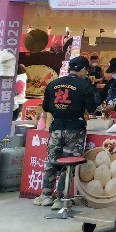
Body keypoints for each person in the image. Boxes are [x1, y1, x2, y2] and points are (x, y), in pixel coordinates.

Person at [34, 56, 99, 207]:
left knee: (52, 161)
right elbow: (91, 108)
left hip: (56, 127)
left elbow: (46, 107)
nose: (86, 73)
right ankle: (61, 199)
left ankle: (45, 195)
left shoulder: (53, 84)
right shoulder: (84, 85)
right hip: (75, 128)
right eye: (86, 70)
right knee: (69, 164)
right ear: (83, 69)